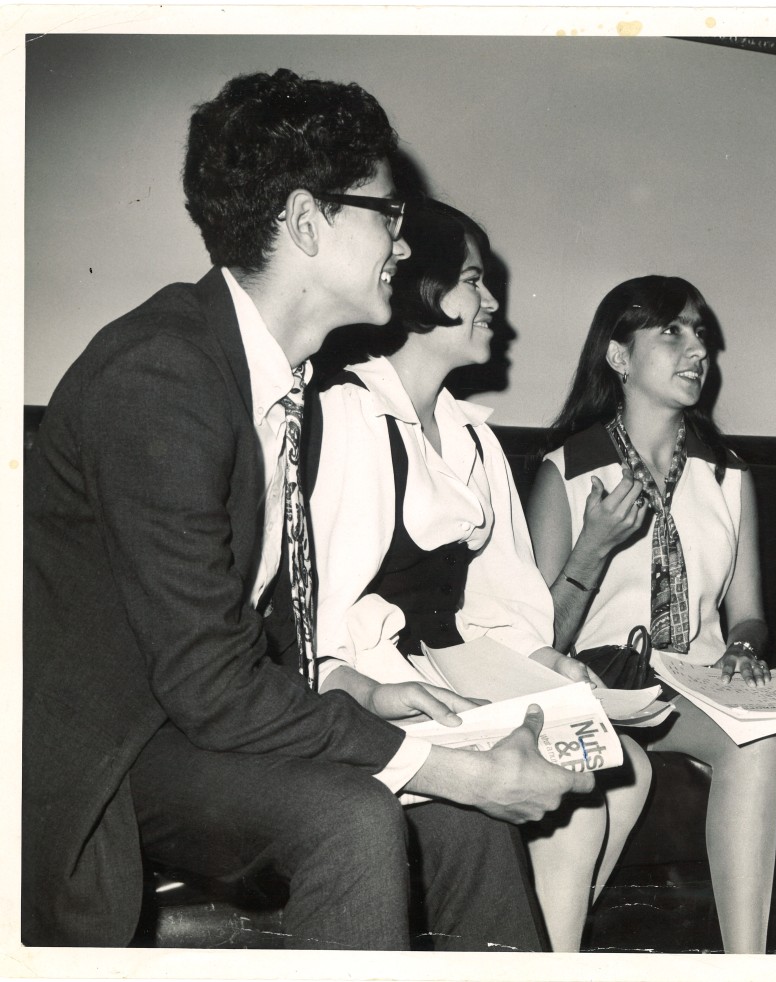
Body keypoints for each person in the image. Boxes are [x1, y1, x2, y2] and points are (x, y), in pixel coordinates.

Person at [22, 69, 590, 950]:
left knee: (466, 820)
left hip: (196, 722)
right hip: (112, 750)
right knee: (355, 815)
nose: (403, 241)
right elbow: (209, 681)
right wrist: (452, 768)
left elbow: (261, 636)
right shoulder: (161, 373)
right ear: (305, 221)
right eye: (387, 213)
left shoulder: (279, 382)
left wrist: (362, 687)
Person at [307, 199, 652, 952]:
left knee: (616, 768)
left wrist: (546, 662)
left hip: (450, 664)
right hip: (367, 681)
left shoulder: (471, 436)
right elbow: (319, 623)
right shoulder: (347, 416)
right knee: (571, 790)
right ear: (421, 289)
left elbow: (498, 605)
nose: (492, 302)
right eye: (473, 281)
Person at [527, 275, 776, 954]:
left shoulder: (727, 473)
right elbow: (536, 639)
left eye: (700, 333)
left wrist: (744, 646)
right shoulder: (567, 470)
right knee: (755, 744)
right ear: (619, 356)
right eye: (671, 332)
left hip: (699, 686)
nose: (697, 349)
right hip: (599, 686)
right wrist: (594, 545)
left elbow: (749, 615)